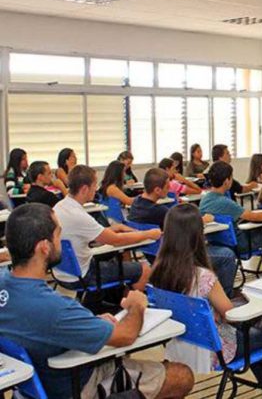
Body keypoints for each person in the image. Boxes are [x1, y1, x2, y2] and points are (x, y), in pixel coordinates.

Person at [0, 203, 194, 399]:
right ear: (43, 247)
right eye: (59, 234)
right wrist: (136, 305)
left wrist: (88, 323)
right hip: (77, 386)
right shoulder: (54, 309)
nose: (62, 240)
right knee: (182, 376)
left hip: (33, 388)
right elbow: (126, 335)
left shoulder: (4, 284)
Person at [149, 204, 262, 399]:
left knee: (257, 329)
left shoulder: (158, 270)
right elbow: (231, 314)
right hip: (217, 348)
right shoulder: (202, 276)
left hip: (187, 342)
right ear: (198, 234)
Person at [129, 168, 238, 297]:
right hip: (180, 258)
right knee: (227, 255)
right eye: (167, 186)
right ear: (157, 190)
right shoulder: (160, 212)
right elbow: (187, 224)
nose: (170, 189)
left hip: (155, 257)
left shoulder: (136, 204)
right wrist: (204, 219)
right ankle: (225, 296)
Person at [52, 165, 161, 291]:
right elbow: (115, 240)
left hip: (63, 272)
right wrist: (148, 234)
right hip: (83, 276)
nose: (96, 189)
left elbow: (92, 234)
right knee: (144, 269)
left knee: (115, 262)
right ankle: (129, 306)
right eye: (94, 186)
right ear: (84, 189)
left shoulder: (59, 207)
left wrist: (114, 228)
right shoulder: (79, 215)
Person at [200, 161, 262, 255]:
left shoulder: (205, 199)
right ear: (227, 181)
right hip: (240, 243)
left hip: (218, 241)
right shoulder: (225, 202)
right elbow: (253, 217)